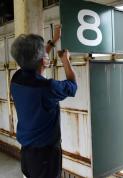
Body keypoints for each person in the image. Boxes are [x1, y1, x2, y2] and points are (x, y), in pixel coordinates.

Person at [10, 25, 77, 178]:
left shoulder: (17, 78)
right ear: (42, 62)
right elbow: (72, 86)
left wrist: (53, 41)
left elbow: (33, 60)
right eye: (44, 56)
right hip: (45, 156)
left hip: (27, 152)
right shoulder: (47, 88)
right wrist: (65, 60)